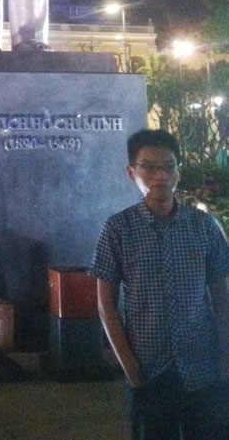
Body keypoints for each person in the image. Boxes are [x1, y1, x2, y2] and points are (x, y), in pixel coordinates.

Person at [92, 128, 229, 439]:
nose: (160, 175)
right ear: (131, 173)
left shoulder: (205, 227)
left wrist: (225, 357)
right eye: (149, 166)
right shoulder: (118, 229)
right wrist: (132, 370)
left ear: (178, 172)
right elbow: (106, 305)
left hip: (203, 366)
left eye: (168, 166)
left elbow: (222, 299)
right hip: (149, 369)